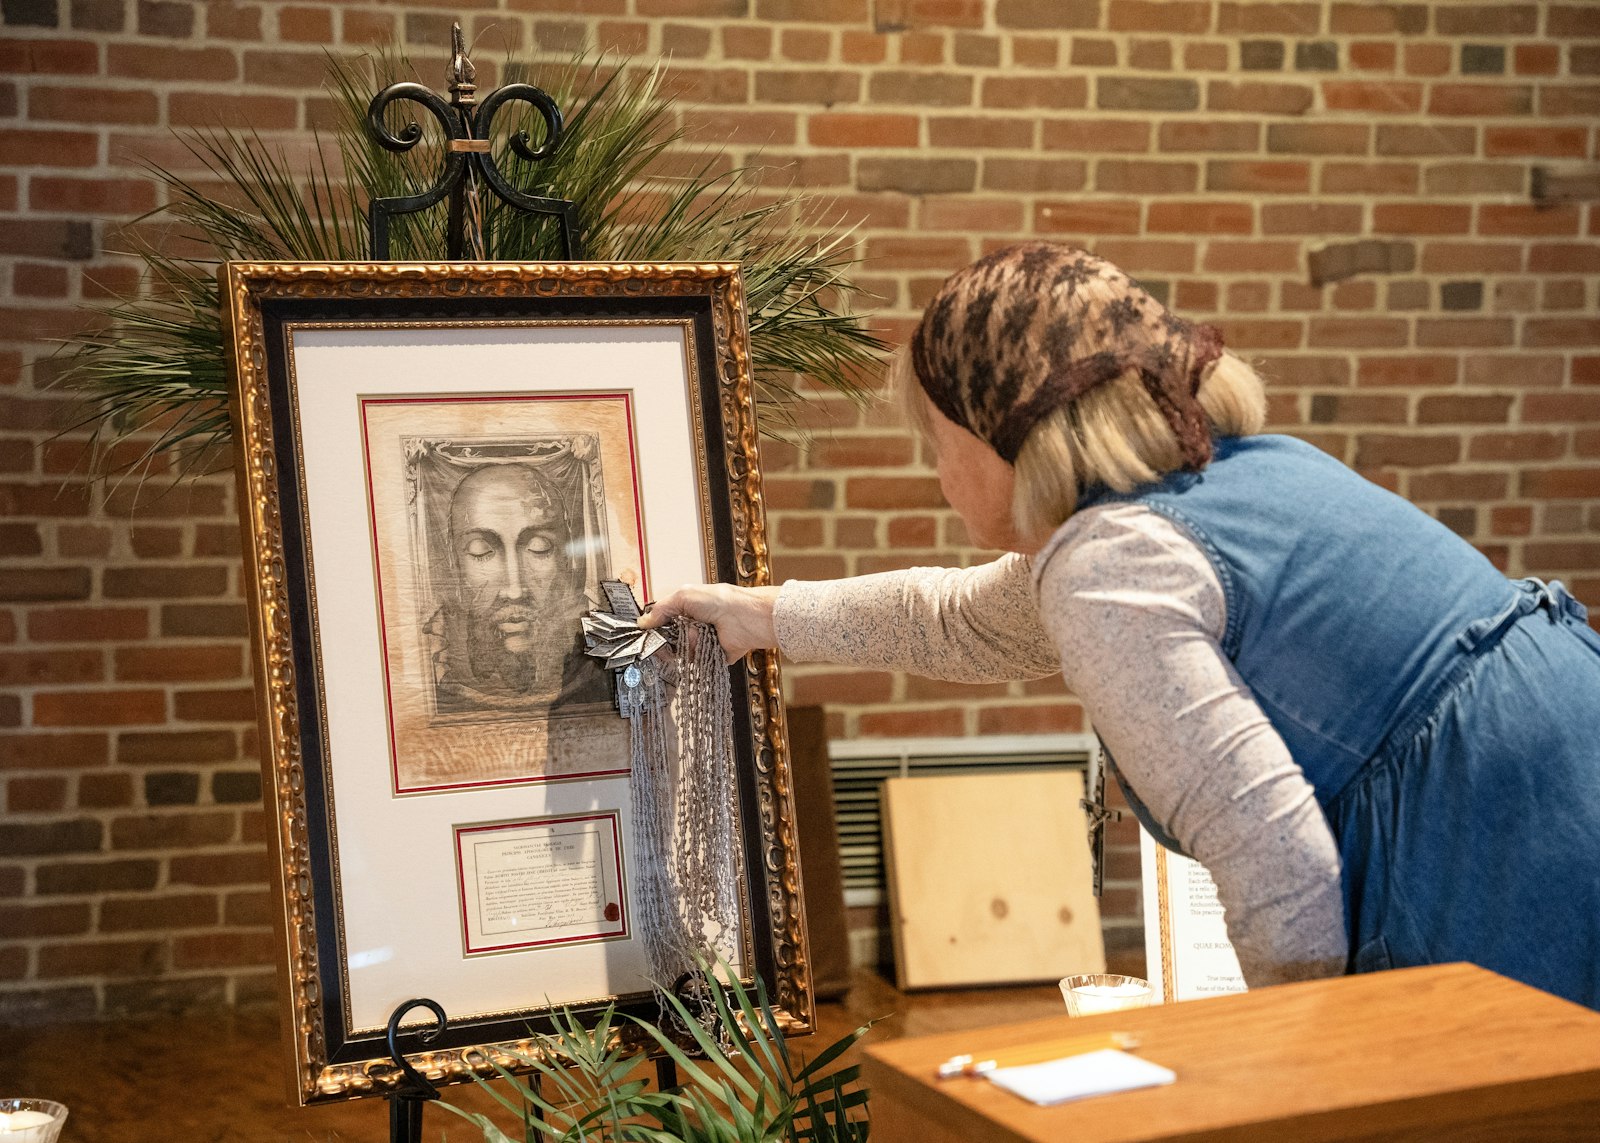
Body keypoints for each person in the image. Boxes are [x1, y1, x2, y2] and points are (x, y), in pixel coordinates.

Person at [640, 240, 1600, 1010]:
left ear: (1003, 432)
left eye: (936, 443)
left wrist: (1290, 1084)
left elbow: (1281, 869)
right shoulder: (1228, 478)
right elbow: (960, 619)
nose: (935, 474)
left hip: (1499, 850)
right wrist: (757, 616)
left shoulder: (1112, 571)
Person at [427, 461, 610, 714]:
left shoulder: (603, 667)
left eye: (539, 548)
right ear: (453, 560)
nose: (514, 589)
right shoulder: (427, 668)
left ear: (568, 559)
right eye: (481, 551)